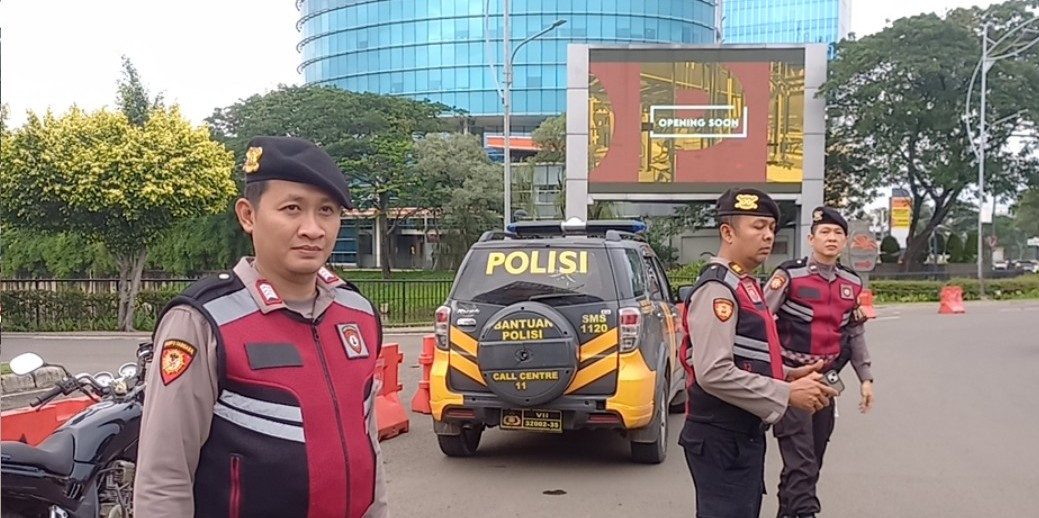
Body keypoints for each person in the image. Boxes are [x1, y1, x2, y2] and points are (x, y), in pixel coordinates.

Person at [133, 136, 389, 518]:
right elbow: (164, 477)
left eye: (326, 211)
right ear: (248, 215)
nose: (312, 229)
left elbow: (368, 447)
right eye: (292, 209)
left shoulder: (358, 314)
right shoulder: (204, 321)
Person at [679, 188, 839, 518]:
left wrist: (787, 374)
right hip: (721, 433)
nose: (768, 236)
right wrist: (786, 393)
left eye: (772, 228)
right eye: (758, 226)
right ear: (728, 232)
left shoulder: (744, 285)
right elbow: (713, 372)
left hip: (741, 432)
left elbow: (747, 355)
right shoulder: (718, 289)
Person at [764, 206, 875, 518]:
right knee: (800, 459)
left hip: (828, 380)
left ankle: (789, 512)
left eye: (838, 233)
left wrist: (866, 379)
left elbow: (854, 332)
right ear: (811, 239)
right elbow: (760, 322)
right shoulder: (789, 276)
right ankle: (805, 513)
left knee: (813, 457)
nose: (831, 238)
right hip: (794, 378)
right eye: (824, 232)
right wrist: (774, 372)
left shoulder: (851, 282)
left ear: (845, 242)